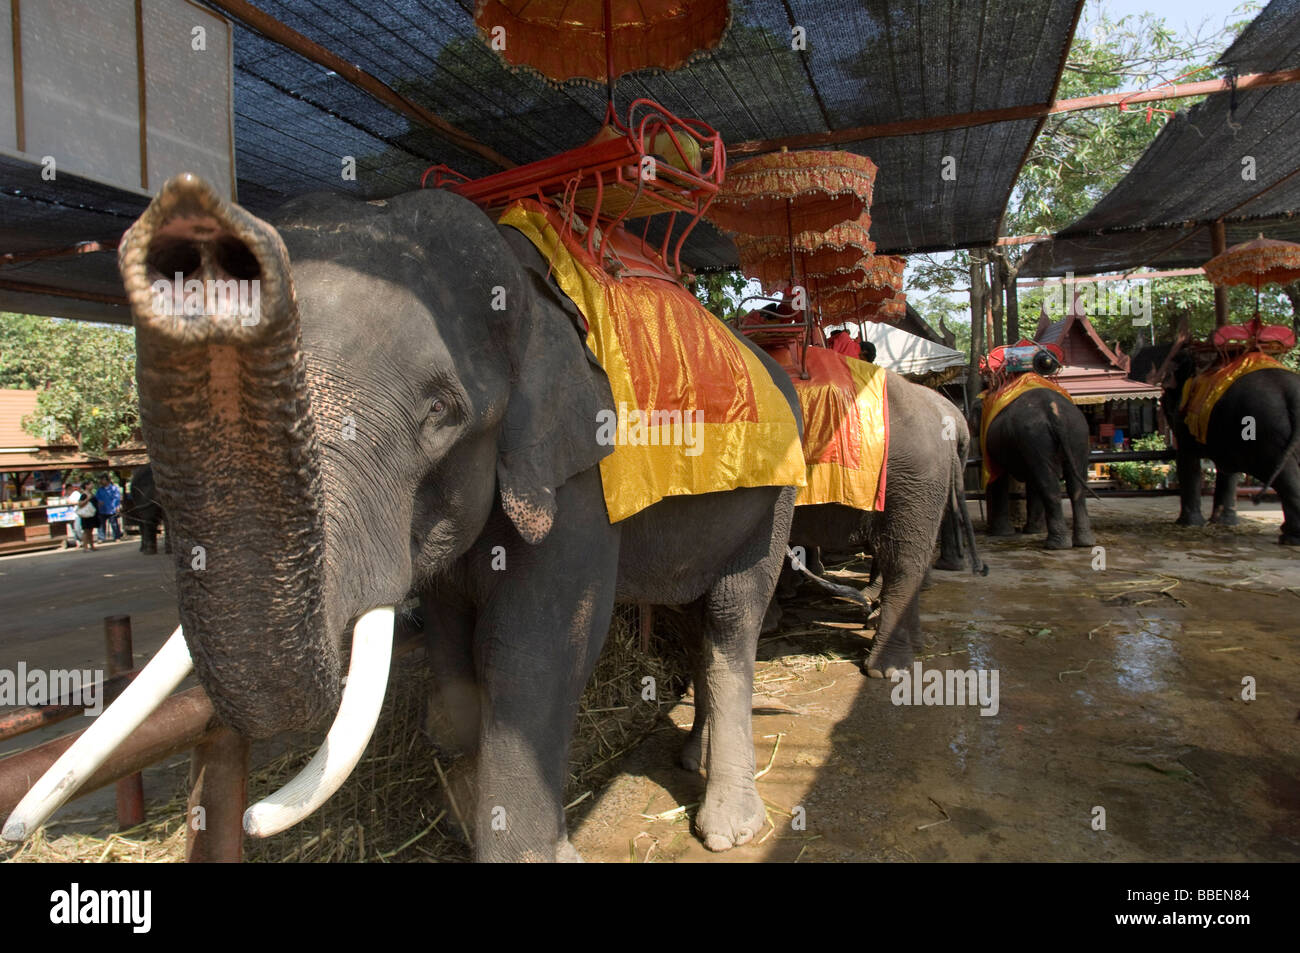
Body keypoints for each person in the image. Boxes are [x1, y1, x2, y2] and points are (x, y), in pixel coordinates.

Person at [95, 475, 123, 542]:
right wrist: (98, 502)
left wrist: (117, 506)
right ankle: (101, 538)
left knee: (114, 524)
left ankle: (117, 537)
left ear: (107, 480)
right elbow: (97, 498)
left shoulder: (114, 488)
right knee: (101, 524)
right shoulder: (100, 490)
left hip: (112, 509)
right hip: (102, 509)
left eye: (103, 480)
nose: (101, 481)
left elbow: (117, 498)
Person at [75, 483, 98, 551]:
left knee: (90, 531)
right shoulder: (84, 494)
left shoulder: (91, 493)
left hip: (91, 514)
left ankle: (92, 546)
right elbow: (80, 504)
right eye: (90, 484)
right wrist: (87, 499)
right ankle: (85, 547)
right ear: (86, 486)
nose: (92, 485)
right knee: (86, 531)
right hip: (86, 515)